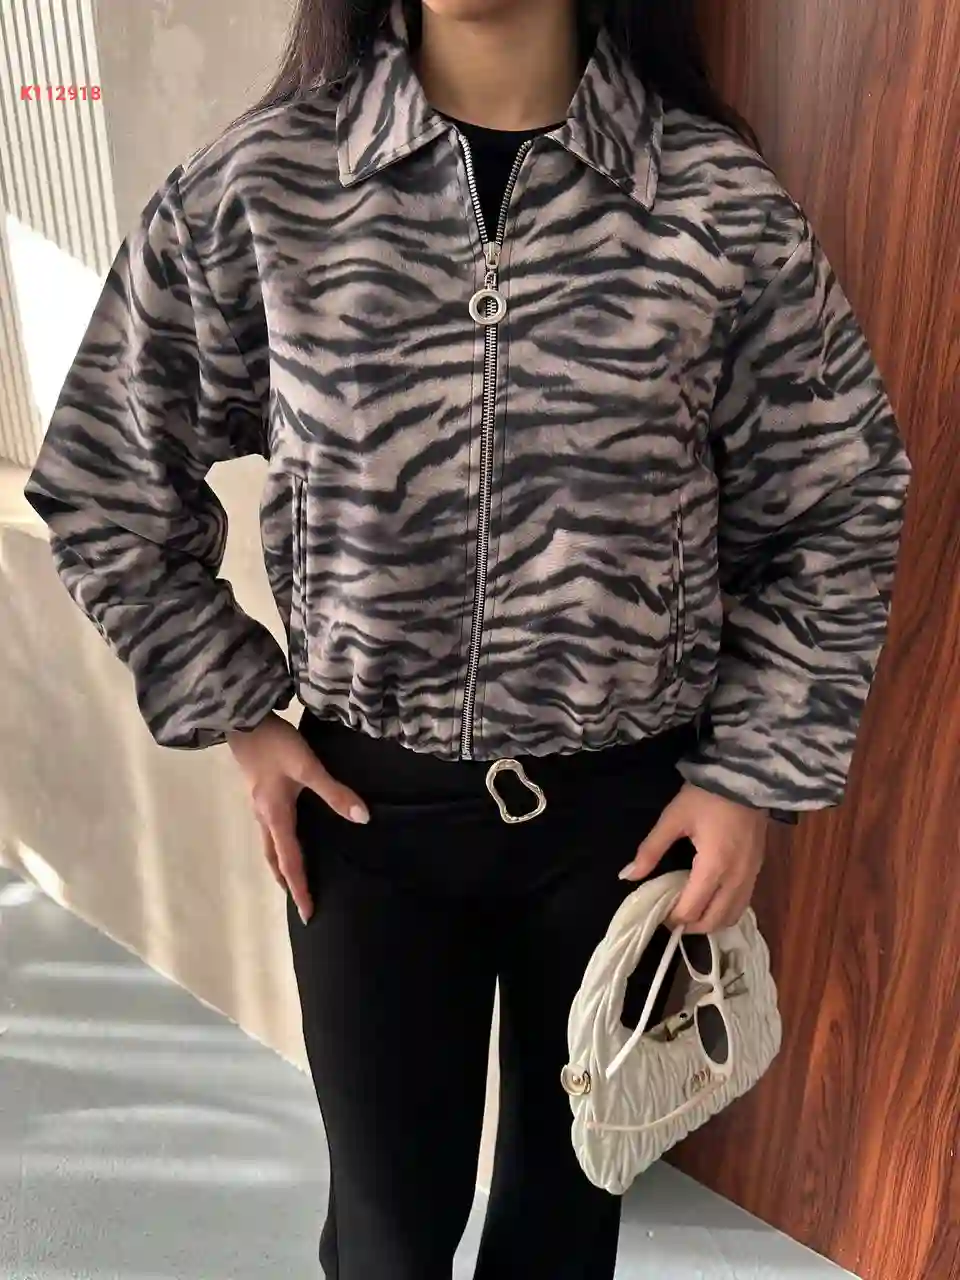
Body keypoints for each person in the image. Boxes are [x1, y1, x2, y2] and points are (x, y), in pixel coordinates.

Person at [24, 0, 910, 1274]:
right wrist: (241, 715)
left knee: (565, 1224)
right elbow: (105, 475)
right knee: (386, 1233)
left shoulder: (713, 202)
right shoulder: (270, 188)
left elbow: (839, 498)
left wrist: (750, 775)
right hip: (369, 823)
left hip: (624, 831)